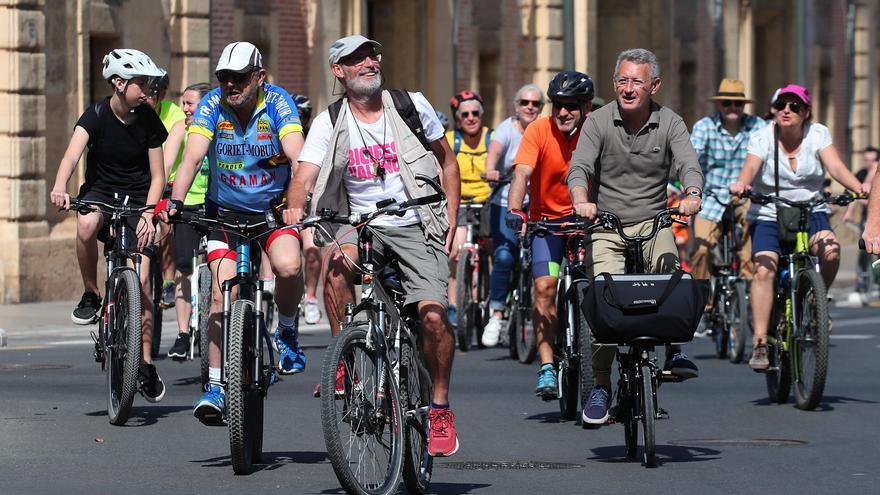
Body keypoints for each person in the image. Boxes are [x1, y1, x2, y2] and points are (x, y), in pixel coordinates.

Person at [285, 35, 462, 457]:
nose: (368, 62)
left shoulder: (410, 105)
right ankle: (345, 360)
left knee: (434, 318)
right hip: (358, 222)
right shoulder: (330, 120)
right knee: (334, 266)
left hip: (416, 221)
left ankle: (439, 407)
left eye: (372, 55)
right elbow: (304, 176)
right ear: (338, 71)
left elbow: (447, 162)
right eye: (356, 59)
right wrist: (295, 206)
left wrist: (451, 224)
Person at [157, 41, 306, 425]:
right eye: (224, 78)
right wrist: (174, 200)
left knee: (289, 267)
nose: (230, 85)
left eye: (239, 78)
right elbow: (191, 157)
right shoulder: (211, 106)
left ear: (259, 77)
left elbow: (297, 152)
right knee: (222, 298)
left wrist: (300, 199)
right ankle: (216, 386)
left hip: (272, 213)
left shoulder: (277, 102)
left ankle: (287, 332)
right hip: (224, 214)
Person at [568, 48, 704, 426]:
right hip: (608, 224)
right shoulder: (596, 122)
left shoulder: (671, 122)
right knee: (603, 296)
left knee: (671, 273)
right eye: (622, 81)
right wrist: (582, 200)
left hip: (654, 221)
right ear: (615, 84)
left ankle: (674, 350)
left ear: (654, 85)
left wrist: (692, 194)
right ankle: (599, 385)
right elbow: (579, 167)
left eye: (637, 81)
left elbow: (688, 164)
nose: (628, 89)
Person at [49, 48, 168, 401]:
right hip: (101, 192)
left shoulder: (148, 120)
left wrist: (149, 213)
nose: (147, 88)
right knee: (85, 226)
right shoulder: (96, 115)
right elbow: (72, 155)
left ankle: (144, 362)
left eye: (148, 82)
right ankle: (91, 293)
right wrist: (60, 186)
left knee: (143, 279)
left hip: (138, 198)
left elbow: (159, 175)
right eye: (141, 82)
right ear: (119, 83)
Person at [729, 84, 867, 371]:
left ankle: (818, 304)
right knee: (764, 269)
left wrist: (859, 187)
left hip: (810, 208)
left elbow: (836, 168)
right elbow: (750, 168)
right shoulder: (762, 137)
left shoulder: (818, 134)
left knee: (830, 251)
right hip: (769, 211)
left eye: (795, 106)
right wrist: (742, 182)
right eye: (782, 106)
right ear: (774, 110)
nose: (787, 111)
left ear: (806, 112)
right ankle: (759, 342)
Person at [505, 70, 594, 400]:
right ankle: (546, 366)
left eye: (571, 106)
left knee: (605, 285)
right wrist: (516, 209)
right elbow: (522, 173)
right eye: (557, 105)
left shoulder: (595, 130)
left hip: (588, 224)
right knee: (544, 287)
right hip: (548, 226)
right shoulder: (539, 130)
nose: (563, 112)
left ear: (585, 107)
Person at [689, 79, 765, 302]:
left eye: (737, 104)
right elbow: (692, 159)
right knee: (702, 249)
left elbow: (769, 153)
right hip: (711, 195)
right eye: (727, 103)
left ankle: (750, 294)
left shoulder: (757, 125)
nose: (732, 108)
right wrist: (690, 186)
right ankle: (703, 302)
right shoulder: (705, 126)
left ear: (744, 106)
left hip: (745, 195)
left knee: (752, 243)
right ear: (719, 105)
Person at [481, 83, 545, 346]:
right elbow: (495, 150)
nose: (530, 107)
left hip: (537, 205)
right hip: (506, 202)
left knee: (540, 261)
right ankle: (496, 314)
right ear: (516, 106)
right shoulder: (507, 129)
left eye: (535, 104)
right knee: (504, 256)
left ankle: (541, 315)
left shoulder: (545, 129)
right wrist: (491, 169)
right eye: (525, 103)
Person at [165, 82, 213, 359]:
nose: (184, 108)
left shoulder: (218, 127)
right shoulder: (180, 129)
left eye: (190, 103)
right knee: (184, 267)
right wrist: (165, 193)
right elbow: (168, 161)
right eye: (183, 103)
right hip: (188, 204)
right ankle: (183, 334)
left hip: (214, 206)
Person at [446, 90, 492, 326]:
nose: (471, 118)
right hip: (461, 202)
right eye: (465, 114)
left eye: (476, 113)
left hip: (487, 201)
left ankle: (492, 301)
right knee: (456, 252)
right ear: (458, 118)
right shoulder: (450, 139)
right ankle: (454, 304)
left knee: (495, 248)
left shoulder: (491, 139)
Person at [146, 71, 187, 308]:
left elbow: (168, 160)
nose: (149, 98)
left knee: (165, 221)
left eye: (155, 93)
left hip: (167, 182)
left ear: (162, 94)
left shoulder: (174, 115)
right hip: (141, 181)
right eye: (147, 92)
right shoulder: (134, 112)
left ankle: (169, 281)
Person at [291, 93, 324, 325]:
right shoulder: (277, 132)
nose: (296, 118)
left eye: (300, 115)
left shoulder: (315, 135)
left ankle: (311, 297)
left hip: (310, 201)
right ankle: (267, 281)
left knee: (312, 250)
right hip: (281, 201)